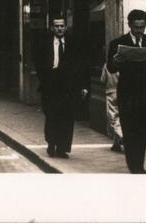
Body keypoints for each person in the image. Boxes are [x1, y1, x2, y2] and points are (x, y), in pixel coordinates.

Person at [107, 9, 146, 174]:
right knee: (128, 130)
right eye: (136, 27)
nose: (139, 31)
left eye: (142, 27)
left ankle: (138, 165)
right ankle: (133, 165)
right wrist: (115, 61)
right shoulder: (118, 44)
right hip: (127, 94)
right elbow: (111, 68)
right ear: (129, 25)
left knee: (142, 131)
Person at [35, 15, 88, 159]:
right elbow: (39, 64)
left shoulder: (73, 44)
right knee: (52, 115)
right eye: (56, 26)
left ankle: (62, 148)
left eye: (62, 26)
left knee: (67, 117)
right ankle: (52, 143)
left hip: (68, 85)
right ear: (52, 28)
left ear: (66, 27)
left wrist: (83, 86)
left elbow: (80, 65)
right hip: (50, 85)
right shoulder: (44, 43)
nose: (59, 29)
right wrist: (44, 80)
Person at [100, 62, 123, 153]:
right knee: (120, 117)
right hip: (121, 92)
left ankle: (122, 136)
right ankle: (116, 144)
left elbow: (102, 79)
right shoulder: (122, 64)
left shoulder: (107, 65)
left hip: (110, 92)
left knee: (112, 117)